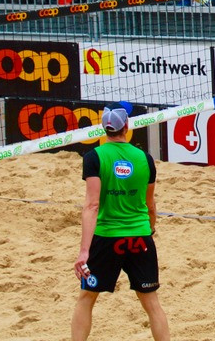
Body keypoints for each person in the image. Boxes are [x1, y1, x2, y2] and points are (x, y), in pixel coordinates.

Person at [72, 105, 169, 341]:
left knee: (86, 298)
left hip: (107, 238)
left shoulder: (94, 157)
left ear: (105, 129)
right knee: (152, 303)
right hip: (139, 237)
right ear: (126, 127)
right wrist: (150, 229)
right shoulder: (145, 159)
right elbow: (151, 205)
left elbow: (92, 206)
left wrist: (84, 251)